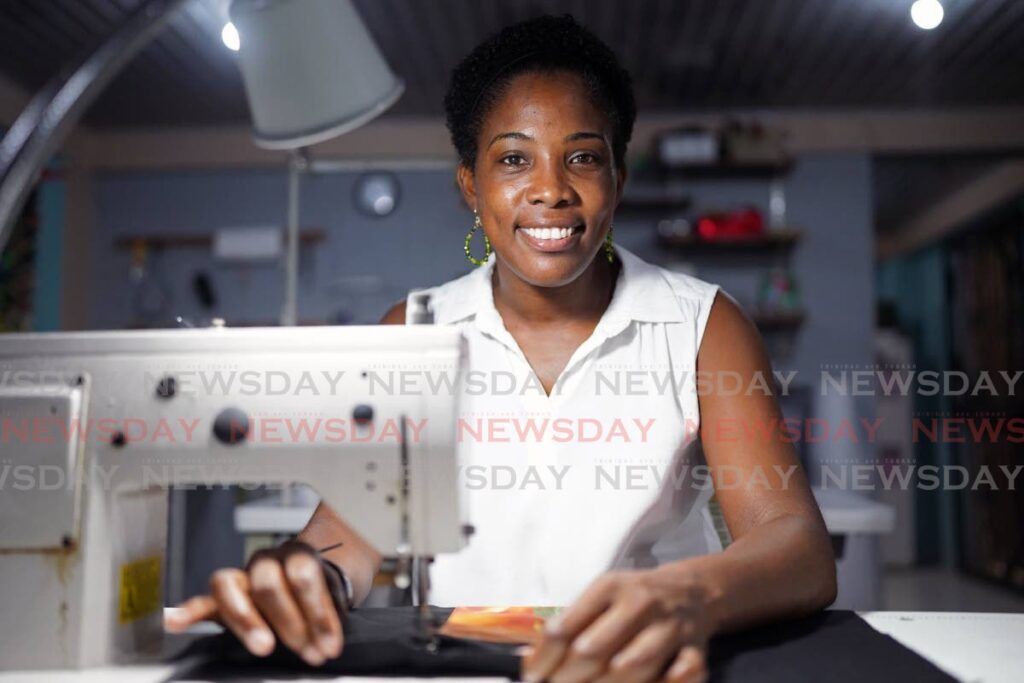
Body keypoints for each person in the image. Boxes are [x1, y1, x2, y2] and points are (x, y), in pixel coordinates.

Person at [167, 14, 836, 683]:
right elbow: (347, 536)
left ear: (619, 179)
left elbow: (795, 542)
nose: (550, 189)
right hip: (468, 666)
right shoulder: (413, 329)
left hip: (647, 663)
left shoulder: (703, 325)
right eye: (514, 159)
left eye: (582, 157)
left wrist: (689, 594)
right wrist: (302, 577)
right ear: (471, 187)